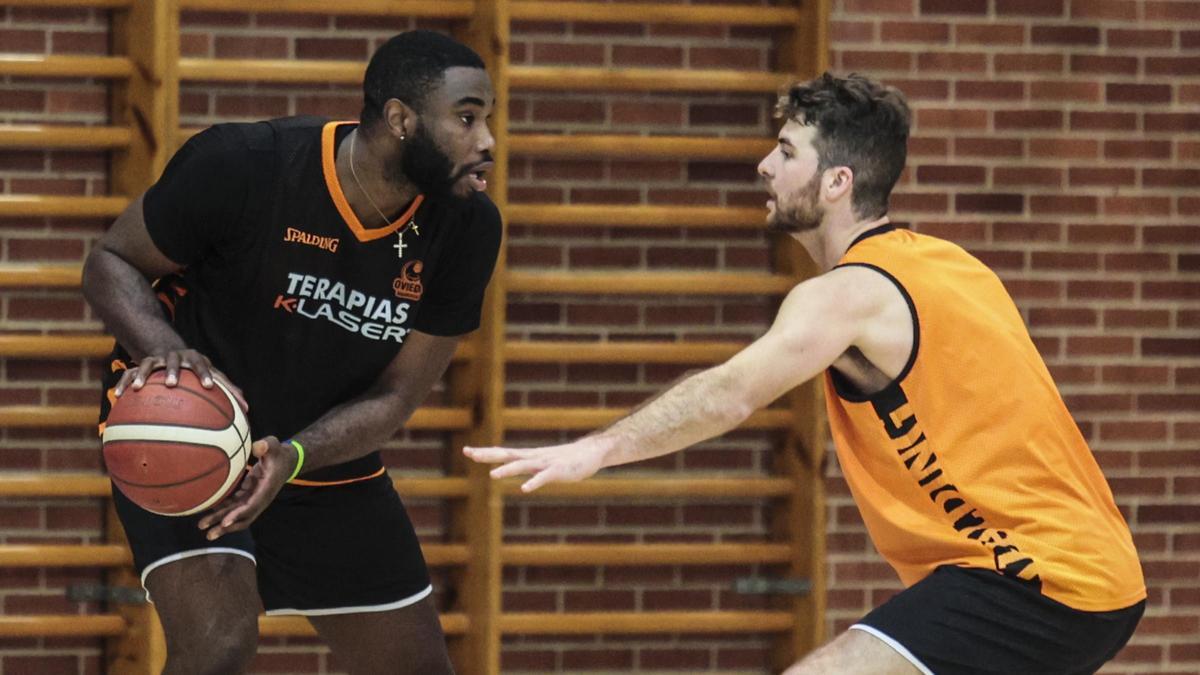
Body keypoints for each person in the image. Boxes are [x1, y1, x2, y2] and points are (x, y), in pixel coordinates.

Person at [465, 73, 1144, 675]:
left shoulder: (847, 294)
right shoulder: (947, 262)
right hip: (1095, 577)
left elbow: (729, 393)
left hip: (1038, 579)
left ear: (837, 182)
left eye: (787, 152)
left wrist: (598, 448)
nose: (764, 165)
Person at [83, 30, 500, 674]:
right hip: (186, 435)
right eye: (467, 118)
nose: (487, 142)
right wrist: (167, 351)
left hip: (321, 451)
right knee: (218, 646)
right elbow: (110, 261)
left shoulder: (467, 228)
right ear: (400, 120)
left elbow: (395, 398)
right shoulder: (246, 165)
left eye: (487, 120)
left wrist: (295, 456)